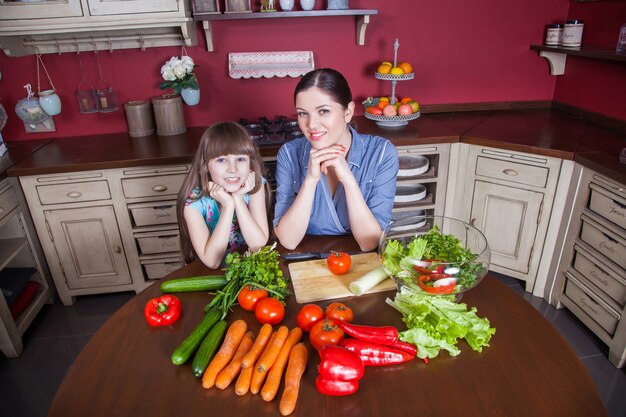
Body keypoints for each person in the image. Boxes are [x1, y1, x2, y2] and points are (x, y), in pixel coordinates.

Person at [273, 68, 399, 251]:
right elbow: (288, 241)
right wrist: (310, 181)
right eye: (302, 113)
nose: (311, 125)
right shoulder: (289, 154)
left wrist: (349, 182)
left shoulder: (382, 154)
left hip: (360, 261)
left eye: (323, 111)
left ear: (348, 112)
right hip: (304, 261)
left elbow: (369, 242)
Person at [177, 122, 270, 269]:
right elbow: (212, 262)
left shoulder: (254, 187)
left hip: (247, 268)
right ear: (206, 165)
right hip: (209, 274)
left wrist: (238, 199)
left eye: (240, 159)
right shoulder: (194, 203)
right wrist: (228, 206)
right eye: (221, 160)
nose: (232, 169)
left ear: (250, 163)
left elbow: (257, 246)